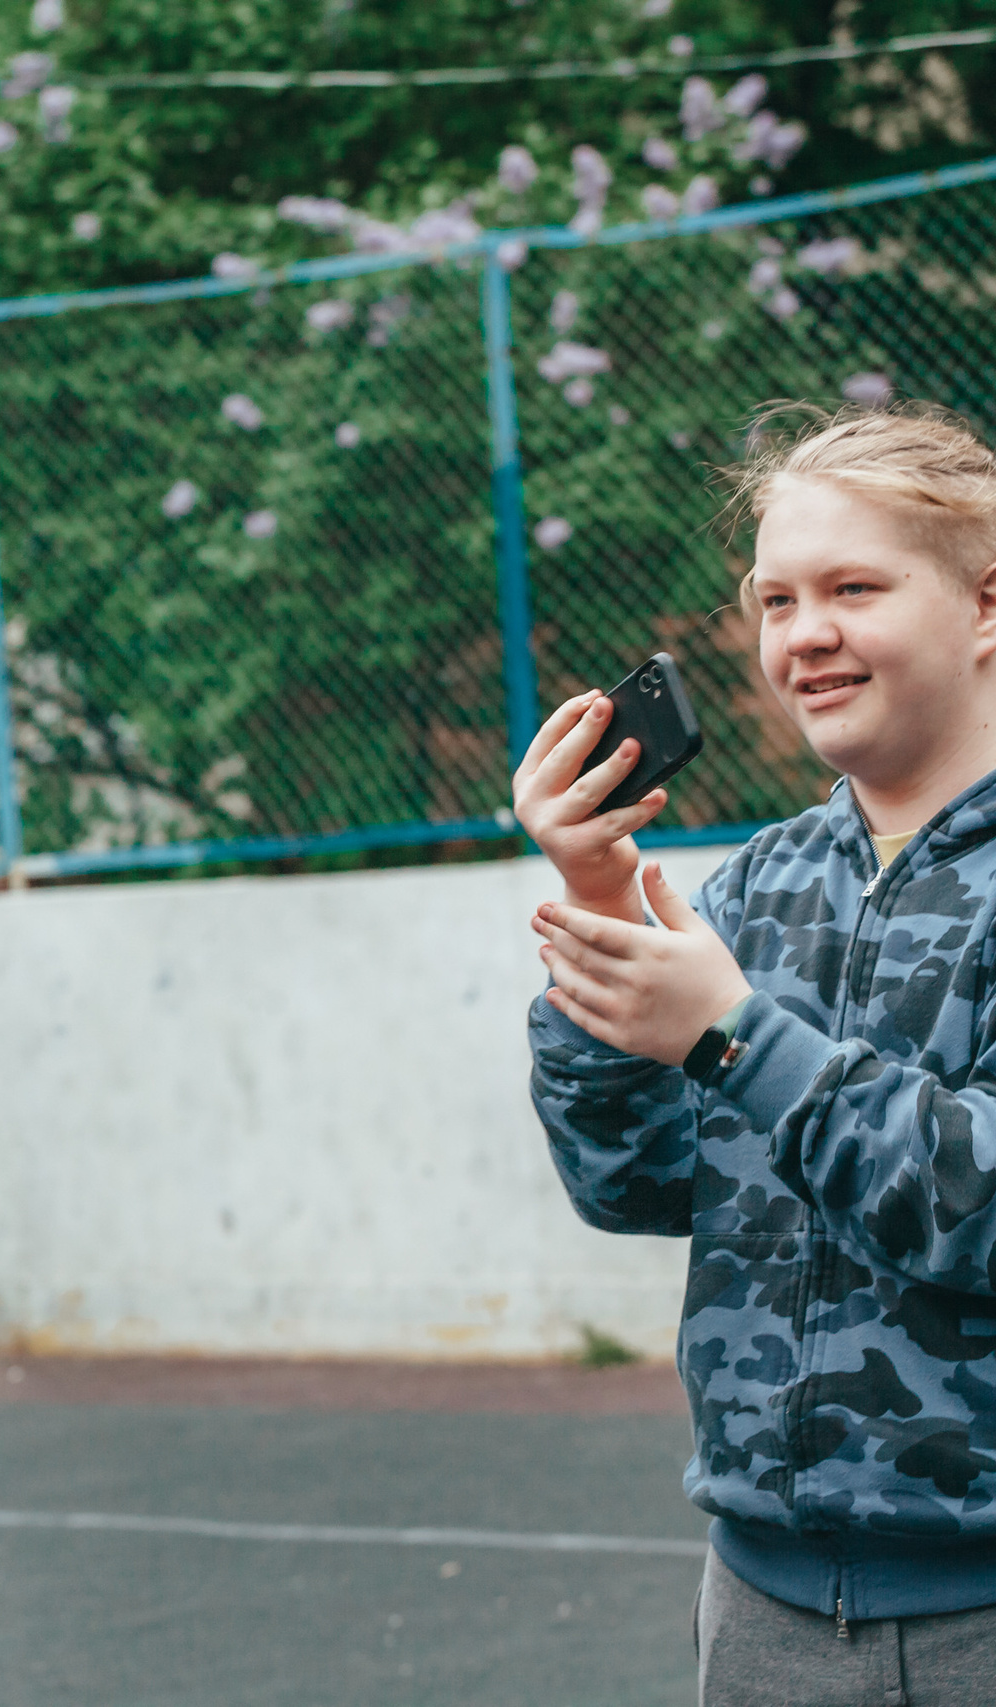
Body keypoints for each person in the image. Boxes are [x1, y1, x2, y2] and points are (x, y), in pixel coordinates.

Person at [519, 402, 996, 1704]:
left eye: (853, 587)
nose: (806, 636)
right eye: (777, 601)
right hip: (764, 1605)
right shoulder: (758, 885)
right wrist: (601, 908)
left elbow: (981, 1203)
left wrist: (732, 1035)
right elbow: (632, 1185)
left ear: (988, 604)